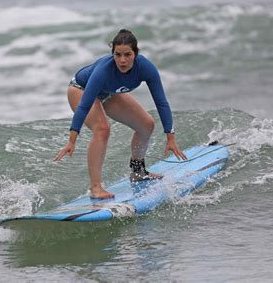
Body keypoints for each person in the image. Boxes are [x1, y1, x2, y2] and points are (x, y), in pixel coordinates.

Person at [54, 29, 187, 199]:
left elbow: (161, 102)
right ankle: (95, 188)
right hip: (80, 89)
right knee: (102, 129)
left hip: (109, 92)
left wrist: (171, 137)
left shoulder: (146, 68)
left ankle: (138, 171)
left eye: (127, 54)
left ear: (135, 54)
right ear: (113, 54)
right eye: (117, 55)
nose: (122, 60)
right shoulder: (104, 70)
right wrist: (72, 139)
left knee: (146, 124)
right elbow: (84, 105)